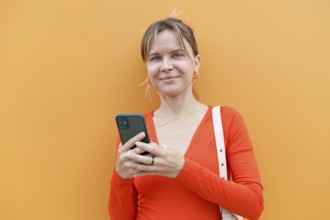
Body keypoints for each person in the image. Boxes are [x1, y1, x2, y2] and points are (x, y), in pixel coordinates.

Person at [108, 17, 264, 220]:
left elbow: (253, 205)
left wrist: (182, 169)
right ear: (147, 68)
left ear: (195, 63)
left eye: (177, 55)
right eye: (155, 58)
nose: (166, 66)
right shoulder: (136, 133)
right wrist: (120, 177)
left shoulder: (226, 120)